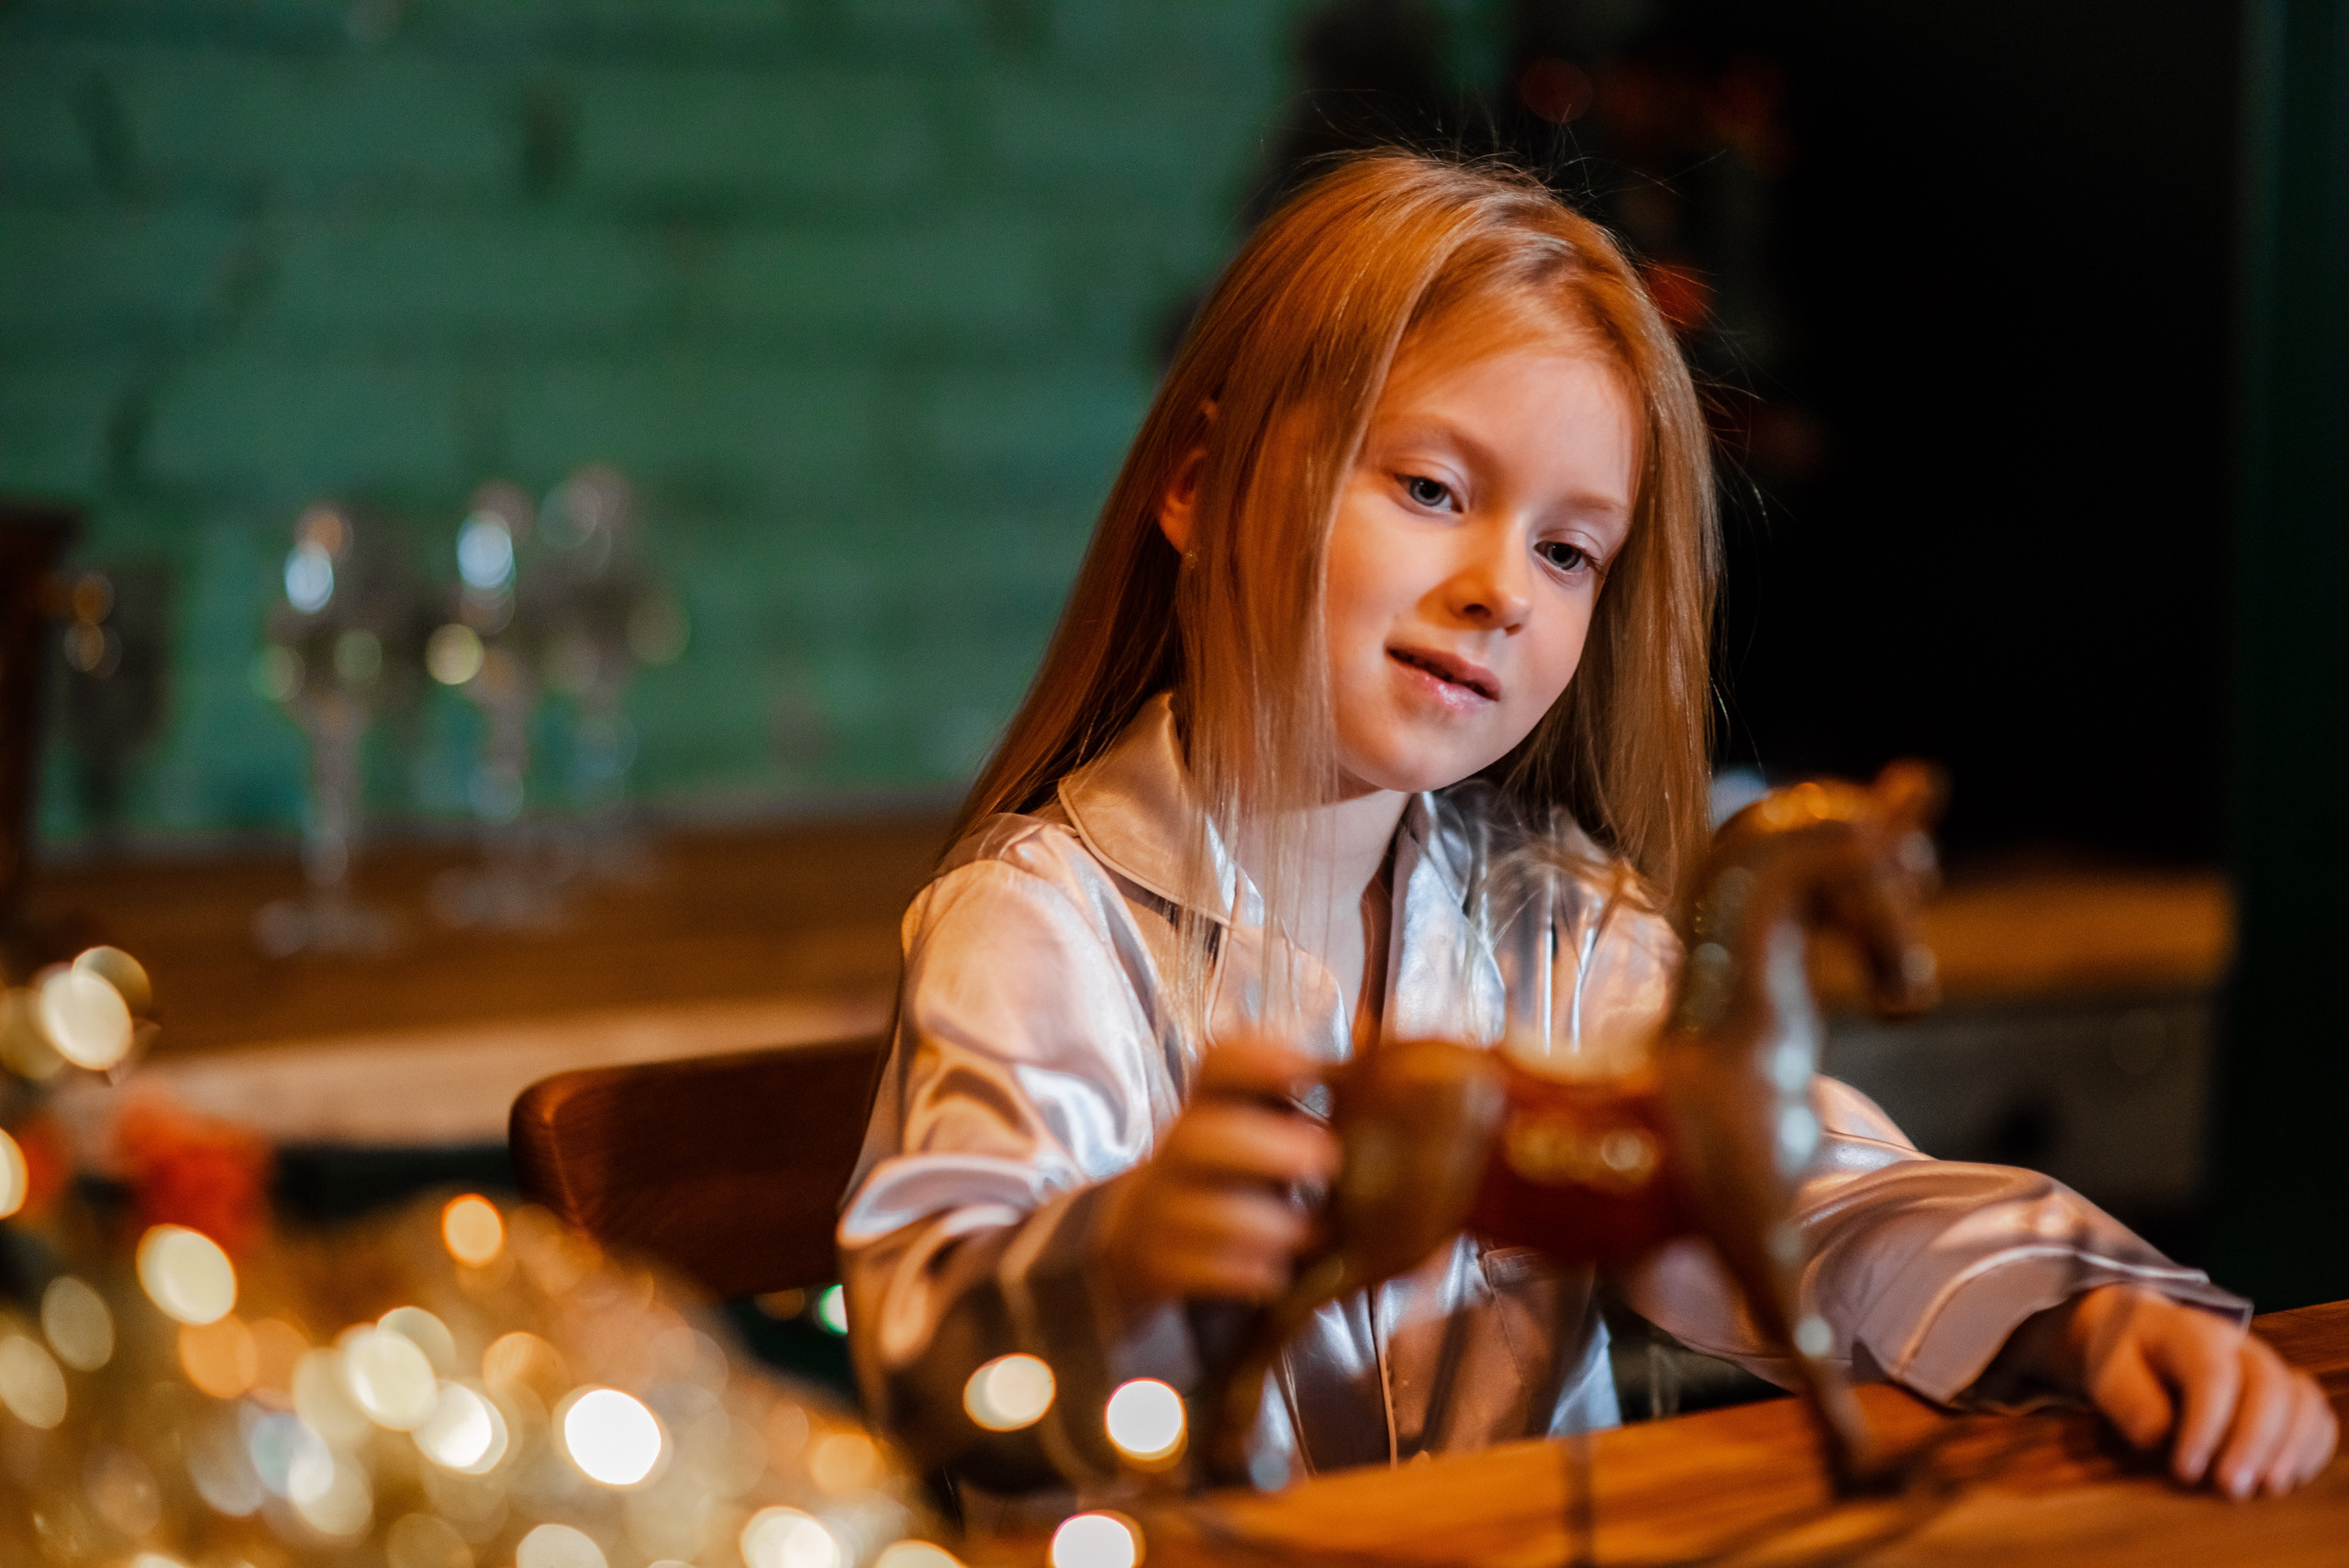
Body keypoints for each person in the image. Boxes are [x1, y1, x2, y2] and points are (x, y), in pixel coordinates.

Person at [837, 154, 2337, 1514]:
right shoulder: (1036, 927)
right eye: (1432, 488)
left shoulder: (1562, 926)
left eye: (1567, 550)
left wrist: (2086, 1307)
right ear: (1197, 483)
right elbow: (922, 1365)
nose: (1502, 588)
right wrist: (1115, 1257)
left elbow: (1811, 1192)